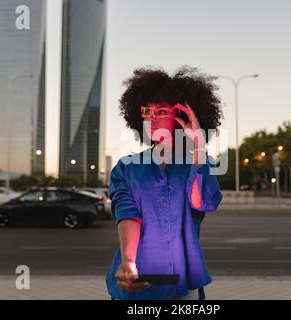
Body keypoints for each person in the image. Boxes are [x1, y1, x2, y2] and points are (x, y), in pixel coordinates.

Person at [106, 66, 223, 300]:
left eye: (160, 111)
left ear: (182, 116)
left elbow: (202, 202)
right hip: (136, 283)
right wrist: (128, 260)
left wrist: (199, 146)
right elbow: (128, 214)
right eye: (147, 112)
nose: (152, 120)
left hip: (183, 285)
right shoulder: (126, 168)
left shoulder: (198, 163)